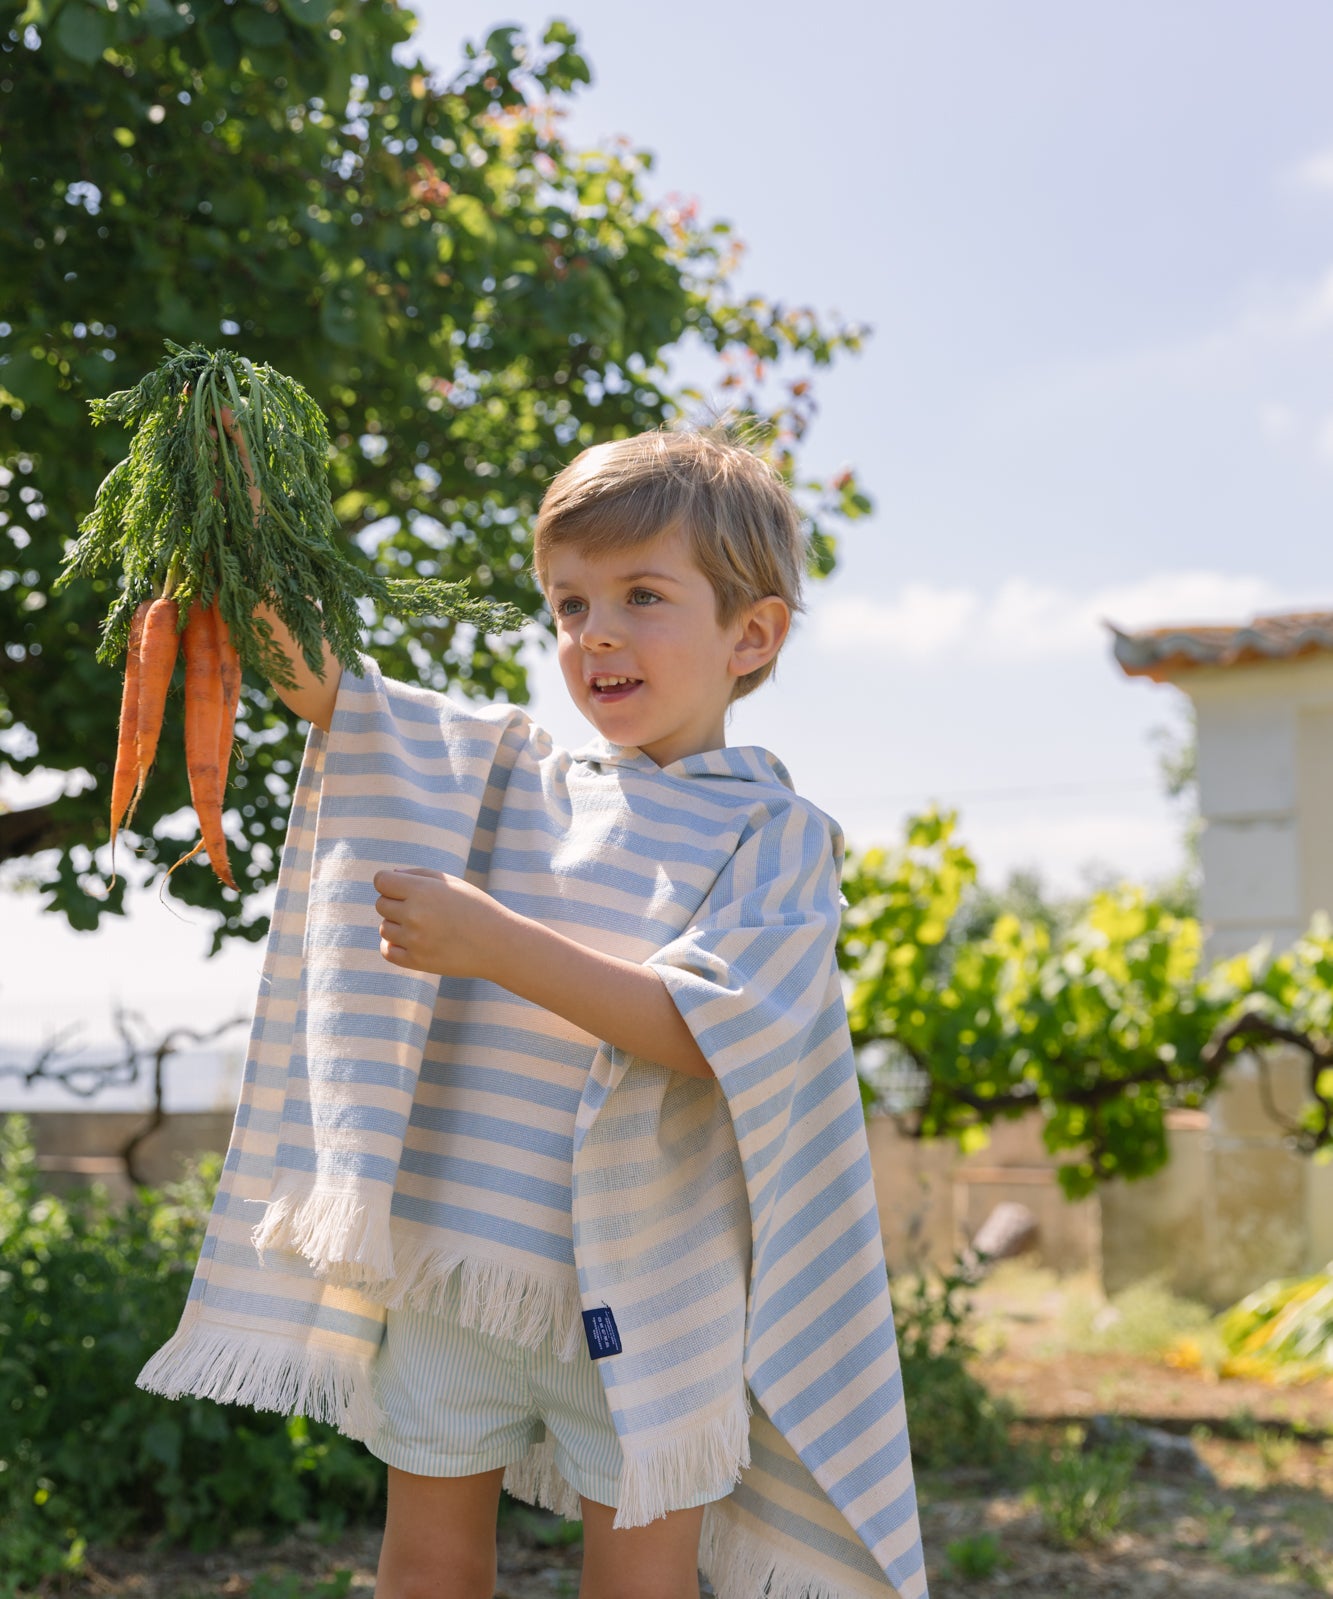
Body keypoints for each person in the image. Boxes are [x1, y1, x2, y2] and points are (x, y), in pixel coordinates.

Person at [139, 426, 928, 1599]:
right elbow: (328, 692)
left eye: (641, 596)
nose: (594, 633)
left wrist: (492, 943)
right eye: (566, 605)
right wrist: (234, 519)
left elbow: (703, 1034)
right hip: (467, 1269)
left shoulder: (775, 838)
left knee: (639, 1584)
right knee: (427, 1565)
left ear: (748, 635)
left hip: (658, 1303)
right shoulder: (508, 781)